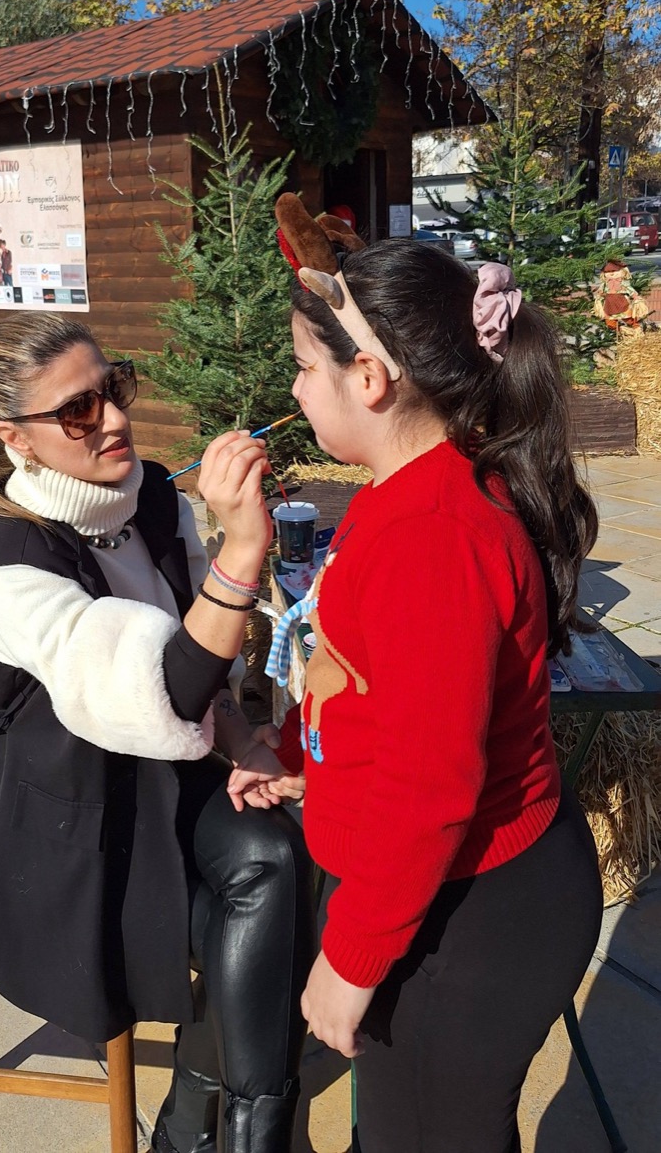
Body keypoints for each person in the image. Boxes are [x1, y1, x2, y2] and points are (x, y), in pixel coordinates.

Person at [229, 236, 604, 1153]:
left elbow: (428, 784)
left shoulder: (434, 535)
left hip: (473, 912)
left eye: (304, 367)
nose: (293, 390)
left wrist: (351, 961)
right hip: (433, 889)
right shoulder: (404, 493)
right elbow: (374, 683)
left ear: (369, 379)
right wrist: (296, 752)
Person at [0, 312, 315, 1153]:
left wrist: (241, 736)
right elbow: (161, 688)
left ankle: (209, 1124)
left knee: (284, 855)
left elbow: (197, 672)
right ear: (14, 438)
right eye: (78, 410)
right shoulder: (8, 564)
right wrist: (243, 548)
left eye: (115, 388)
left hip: (162, 774)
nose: (112, 418)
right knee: (267, 900)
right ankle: (230, 1126)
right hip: (65, 824)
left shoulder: (151, 497)